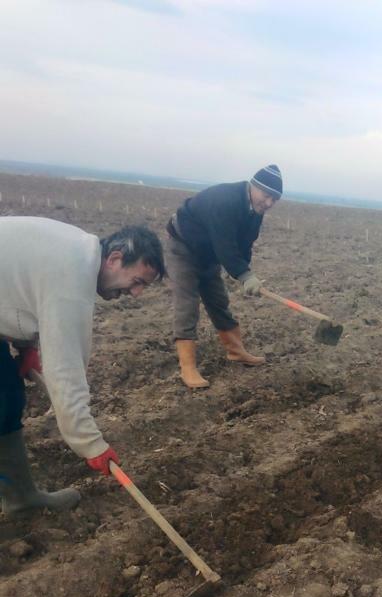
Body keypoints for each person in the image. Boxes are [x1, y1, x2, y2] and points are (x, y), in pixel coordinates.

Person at [0, 217, 165, 516]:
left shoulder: (79, 252)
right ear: (115, 258)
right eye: (137, 281)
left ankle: (20, 499)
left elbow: (19, 287)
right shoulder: (72, 276)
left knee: (7, 400)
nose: (136, 293)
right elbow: (65, 370)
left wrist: (26, 346)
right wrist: (91, 444)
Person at [165, 164, 283, 388]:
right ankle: (188, 368)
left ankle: (236, 351)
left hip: (208, 254)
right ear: (253, 187)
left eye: (274, 200)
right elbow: (225, 245)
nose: (268, 203)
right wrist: (244, 274)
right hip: (183, 247)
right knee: (187, 304)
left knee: (219, 301)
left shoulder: (254, 212)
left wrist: (245, 273)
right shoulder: (225, 201)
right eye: (267, 196)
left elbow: (244, 244)